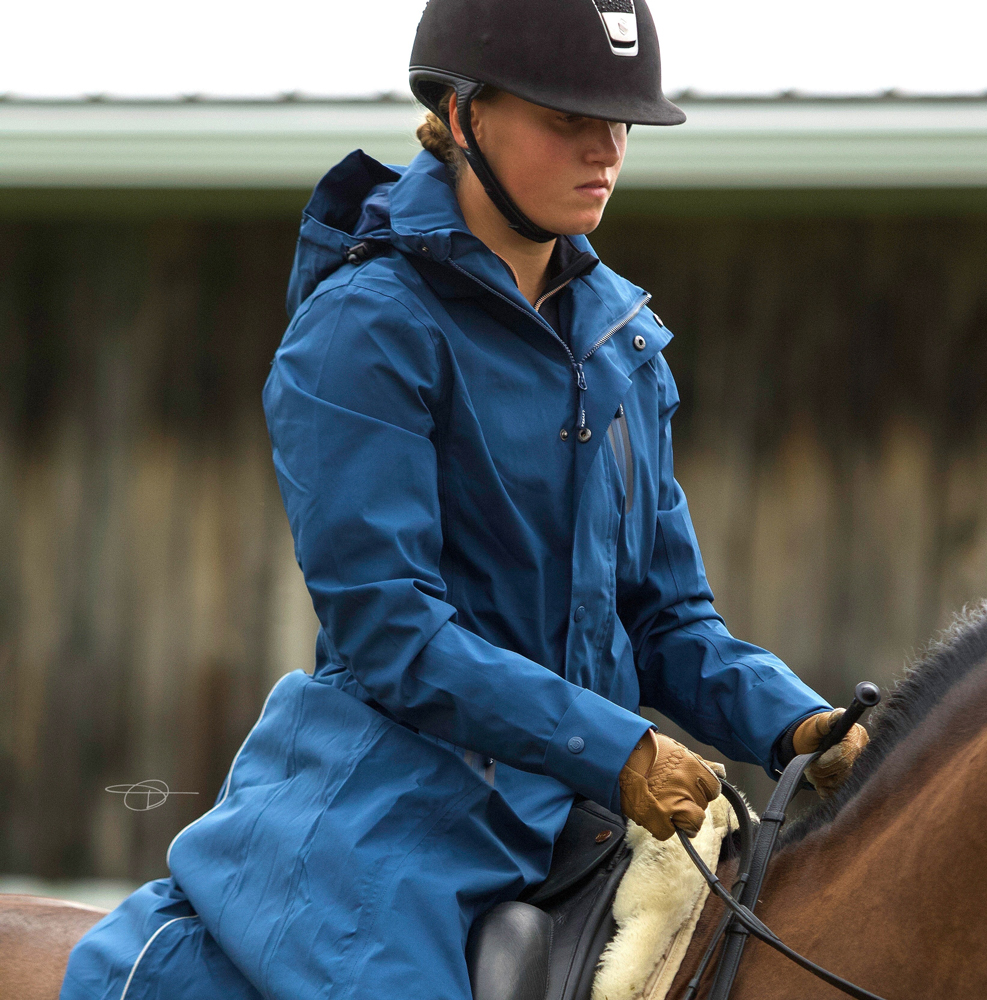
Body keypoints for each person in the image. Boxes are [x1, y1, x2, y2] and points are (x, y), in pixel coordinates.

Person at [59, 2, 868, 998]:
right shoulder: (365, 328)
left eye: (619, 123)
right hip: (398, 816)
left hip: (589, 812)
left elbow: (667, 620)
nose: (604, 147)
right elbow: (393, 630)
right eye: (565, 116)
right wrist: (616, 748)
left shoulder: (622, 345)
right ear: (460, 111)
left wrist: (797, 725)